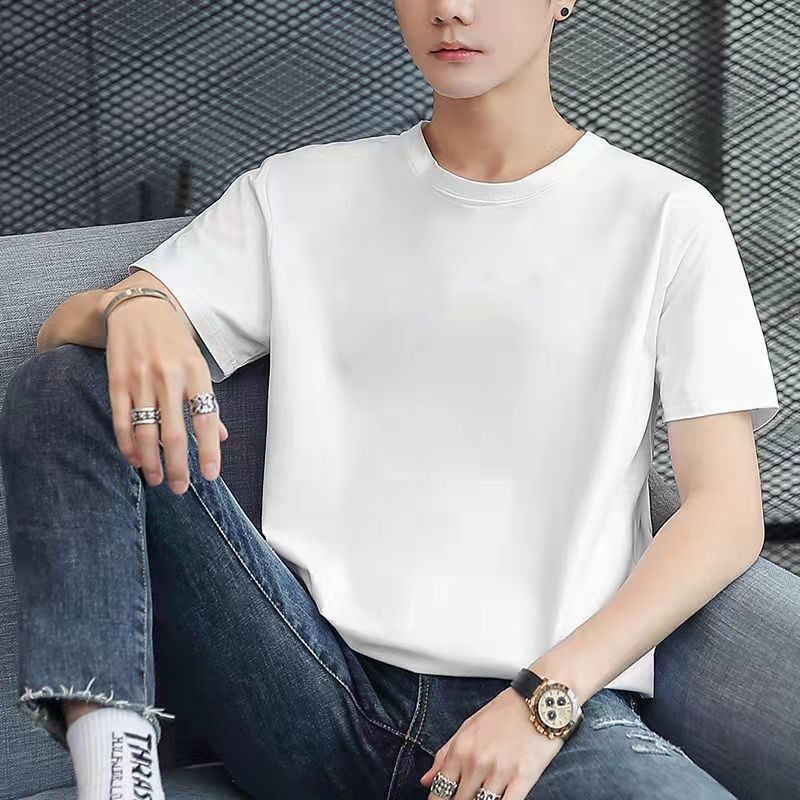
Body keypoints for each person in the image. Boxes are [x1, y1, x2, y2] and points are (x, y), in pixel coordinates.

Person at [2, 1, 798, 799]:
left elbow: (725, 514)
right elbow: (60, 346)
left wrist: (543, 703)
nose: (451, 9)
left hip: (536, 718)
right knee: (68, 382)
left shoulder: (666, 218)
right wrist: (136, 304)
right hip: (302, 685)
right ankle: (118, 780)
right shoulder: (301, 192)